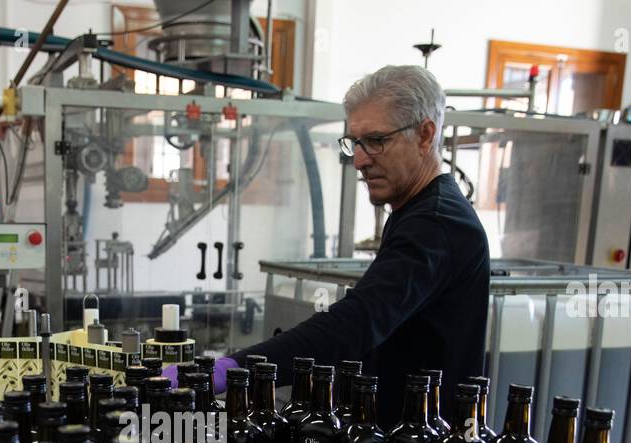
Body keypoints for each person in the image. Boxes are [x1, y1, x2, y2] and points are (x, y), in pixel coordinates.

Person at [173, 65, 490, 424]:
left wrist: (235, 368)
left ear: (424, 135)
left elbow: (355, 325)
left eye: (376, 141)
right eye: (355, 142)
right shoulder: (416, 212)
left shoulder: (437, 222)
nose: (359, 160)